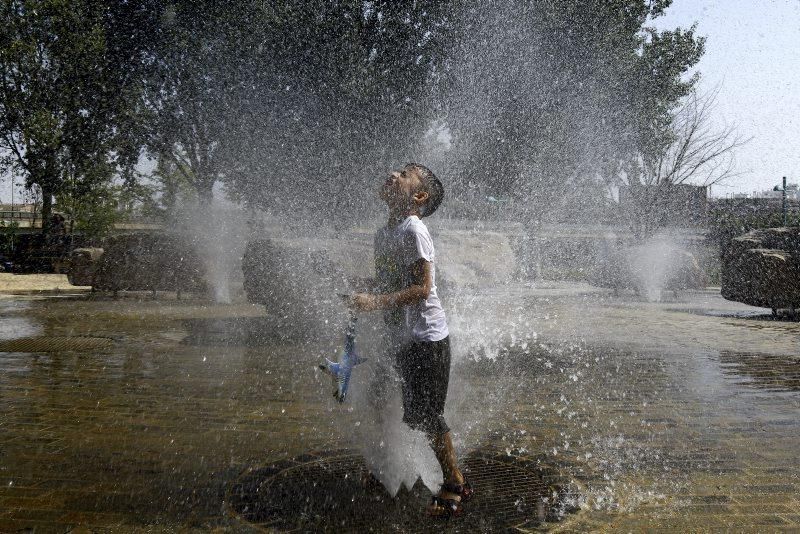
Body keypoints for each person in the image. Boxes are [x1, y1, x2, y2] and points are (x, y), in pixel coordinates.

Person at [346, 163, 473, 517]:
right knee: (379, 398)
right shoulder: (382, 233)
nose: (393, 174)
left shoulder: (413, 230)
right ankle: (383, 465)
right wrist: (362, 290)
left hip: (425, 340)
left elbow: (422, 288)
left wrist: (374, 302)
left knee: (427, 415)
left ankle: (455, 482)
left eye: (405, 175)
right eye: (397, 171)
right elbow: (389, 283)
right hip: (398, 338)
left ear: (418, 196)